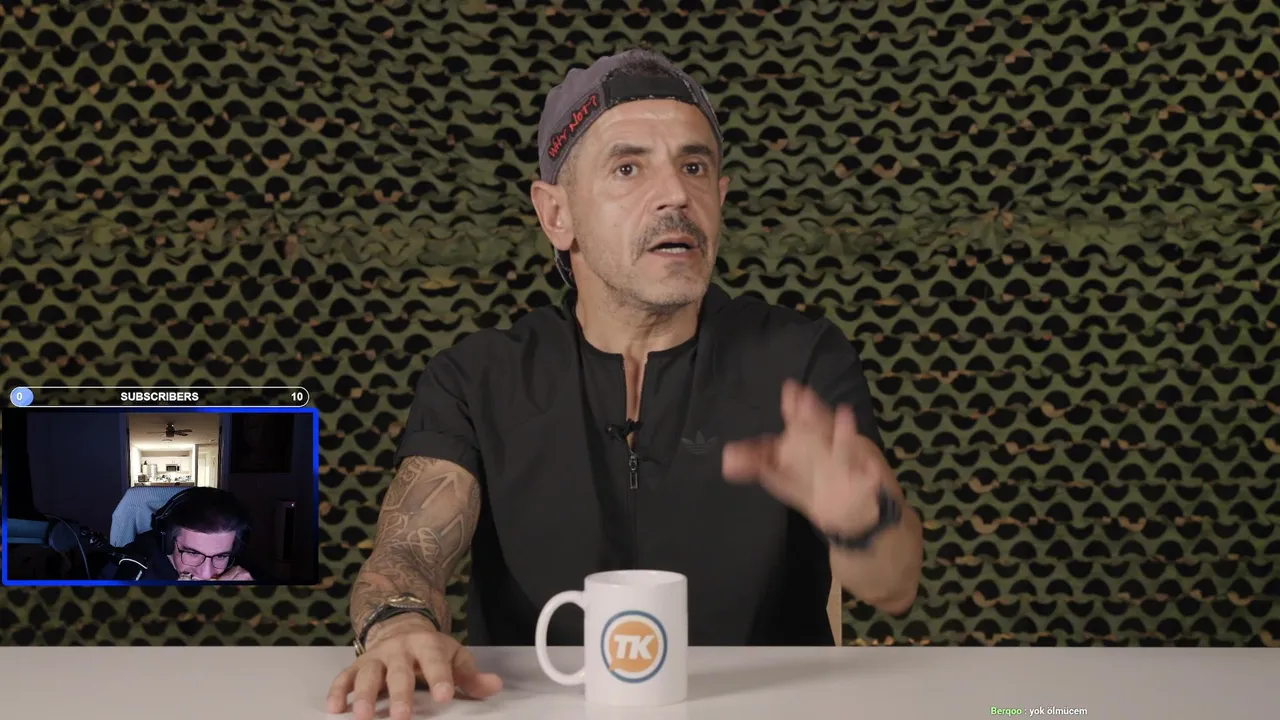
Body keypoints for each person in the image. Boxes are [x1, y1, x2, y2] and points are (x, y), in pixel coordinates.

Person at [327, 48, 925, 720]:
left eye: (695, 167)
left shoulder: (800, 359)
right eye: (628, 168)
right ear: (557, 215)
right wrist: (400, 625)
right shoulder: (478, 377)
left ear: (721, 197)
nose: (676, 195)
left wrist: (863, 520)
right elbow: (406, 554)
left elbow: (896, 584)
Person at [100, 487, 256, 582]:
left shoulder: (239, 567)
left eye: (221, 556)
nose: (206, 574)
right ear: (168, 542)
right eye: (192, 553)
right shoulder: (124, 573)